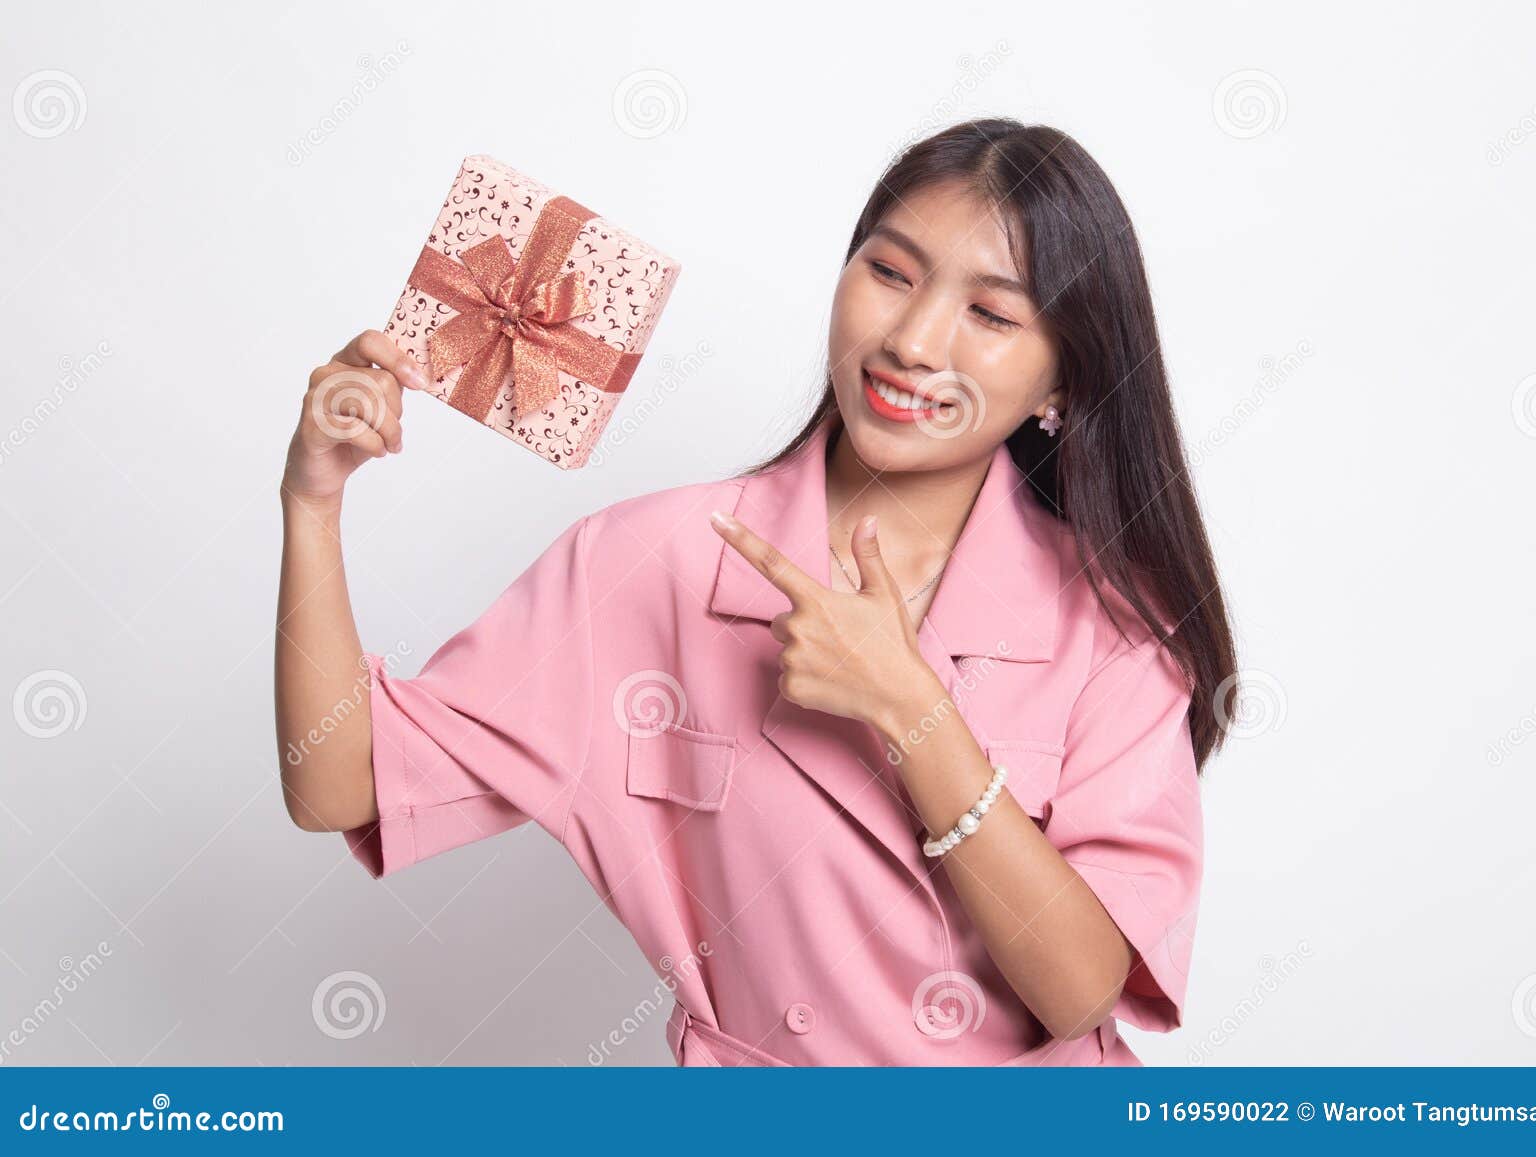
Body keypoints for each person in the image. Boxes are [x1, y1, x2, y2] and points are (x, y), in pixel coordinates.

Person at [275, 117, 1238, 1066]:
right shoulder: (655, 561)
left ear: (1058, 383)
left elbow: (1079, 993)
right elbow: (338, 783)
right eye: (891, 272)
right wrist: (314, 504)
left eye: (990, 314)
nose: (911, 339)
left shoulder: (1115, 626)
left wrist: (911, 709)